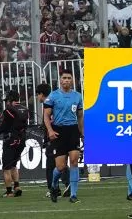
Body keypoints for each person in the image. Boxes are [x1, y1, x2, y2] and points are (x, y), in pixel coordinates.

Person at [44, 70, 84, 203]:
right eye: (64, 78)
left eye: (69, 78)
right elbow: (46, 115)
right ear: (60, 80)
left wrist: (82, 133)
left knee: (74, 161)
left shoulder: (77, 96)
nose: (66, 80)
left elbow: (79, 116)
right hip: (59, 131)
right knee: (60, 167)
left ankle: (73, 195)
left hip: (72, 131)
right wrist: (50, 130)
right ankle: (54, 186)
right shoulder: (53, 96)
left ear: (72, 80)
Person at [0, 89, 29, 197]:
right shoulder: (25, 109)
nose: (6, 103)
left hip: (11, 140)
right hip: (22, 140)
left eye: (6, 101)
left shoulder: (8, 110)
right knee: (14, 165)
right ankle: (17, 186)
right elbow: (16, 124)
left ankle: (9, 192)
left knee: (6, 168)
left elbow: (3, 129)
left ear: (9, 100)